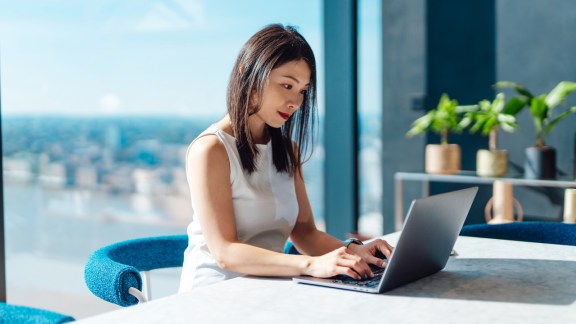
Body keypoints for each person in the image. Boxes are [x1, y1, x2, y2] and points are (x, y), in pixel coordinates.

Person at [178, 24, 393, 292]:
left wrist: (353, 251)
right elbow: (225, 252)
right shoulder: (211, 149)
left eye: (303, 90)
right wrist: (310, 265)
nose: (295, 102)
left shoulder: (287, 150)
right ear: (248, 73)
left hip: (269, 289)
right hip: (213, 295)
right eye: (287, 85)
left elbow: (305, 232)